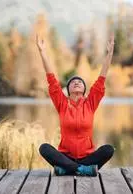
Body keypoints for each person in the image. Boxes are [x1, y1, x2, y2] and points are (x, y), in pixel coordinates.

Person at [37, 33, 115, 177]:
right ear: (69, 89)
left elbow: (102, 78)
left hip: (88, 157)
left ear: (84, 90)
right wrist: (42, 52)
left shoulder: (90, 103)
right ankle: (81, 169)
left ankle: (67, 169)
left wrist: (110, 53)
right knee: (44, 148)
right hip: (65, 156)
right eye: (73, 82)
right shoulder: (62, 104)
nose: (77, 82)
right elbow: (51, 79)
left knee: (108, 149)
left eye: (80, 82)